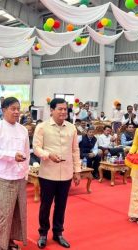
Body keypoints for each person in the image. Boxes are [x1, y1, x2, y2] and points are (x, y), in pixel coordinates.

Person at [33, 98, 81, 249]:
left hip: (66, 173)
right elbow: (36, 148)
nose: (63, 112)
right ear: (51, 110)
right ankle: (43, 233)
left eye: (65, 109)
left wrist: (77, 170)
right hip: (47, 174)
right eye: (60, 109)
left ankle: (58, 233)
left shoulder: (72, 128)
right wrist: (48, 155)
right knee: (45, 205)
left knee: (61, 205)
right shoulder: (42, 127)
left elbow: (75, 150)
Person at [0, 97, 30, 250]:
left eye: (18, 108)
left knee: (16, 213)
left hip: (19, 177)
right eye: (13, 108)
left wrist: (26, 172)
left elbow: (26, 153)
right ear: (4, 110)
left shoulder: (23, 129)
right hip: (3, 176)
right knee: (1, 212)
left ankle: (10, 240)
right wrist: (12, 155)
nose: (17, 112)